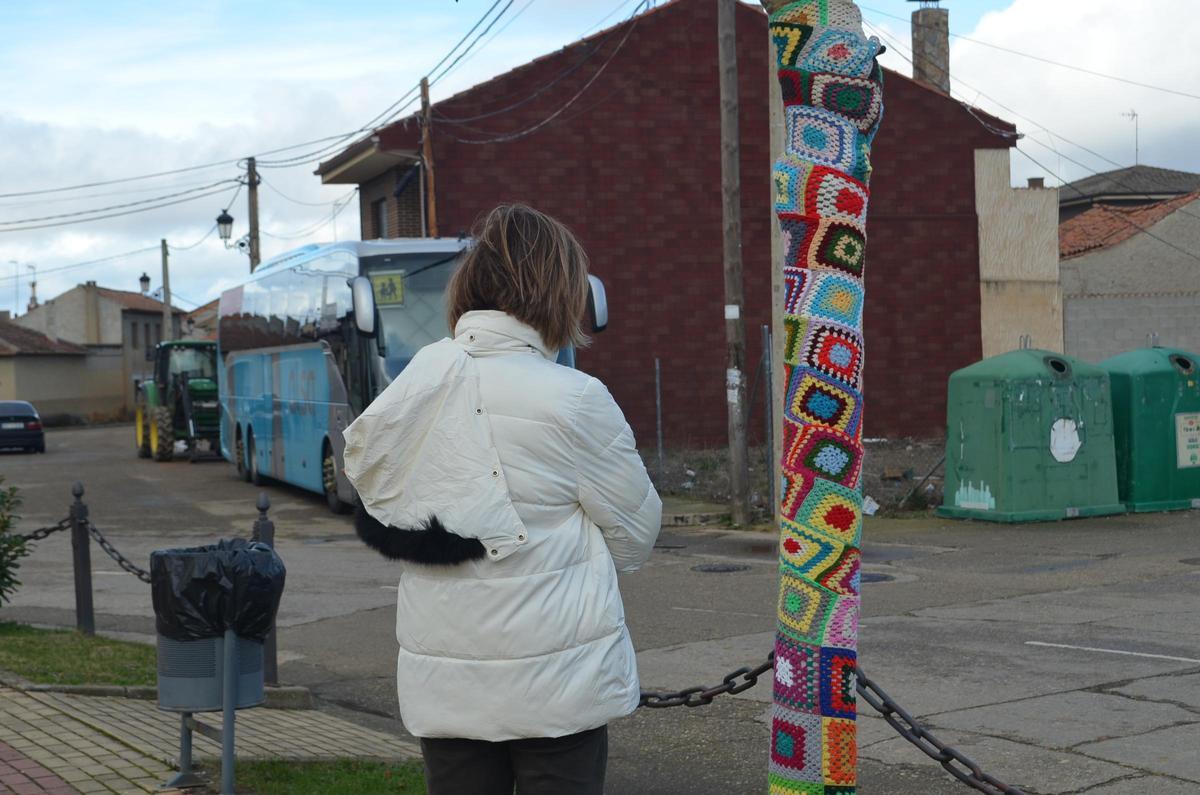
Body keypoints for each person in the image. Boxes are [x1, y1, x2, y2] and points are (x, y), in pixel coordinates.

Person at [342, 203, 662, 795]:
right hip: (557, 681)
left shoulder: (413, 383)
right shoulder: (575, 399)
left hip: (446, 681)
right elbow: (636, 533)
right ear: (561, 293)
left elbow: (382, 499)